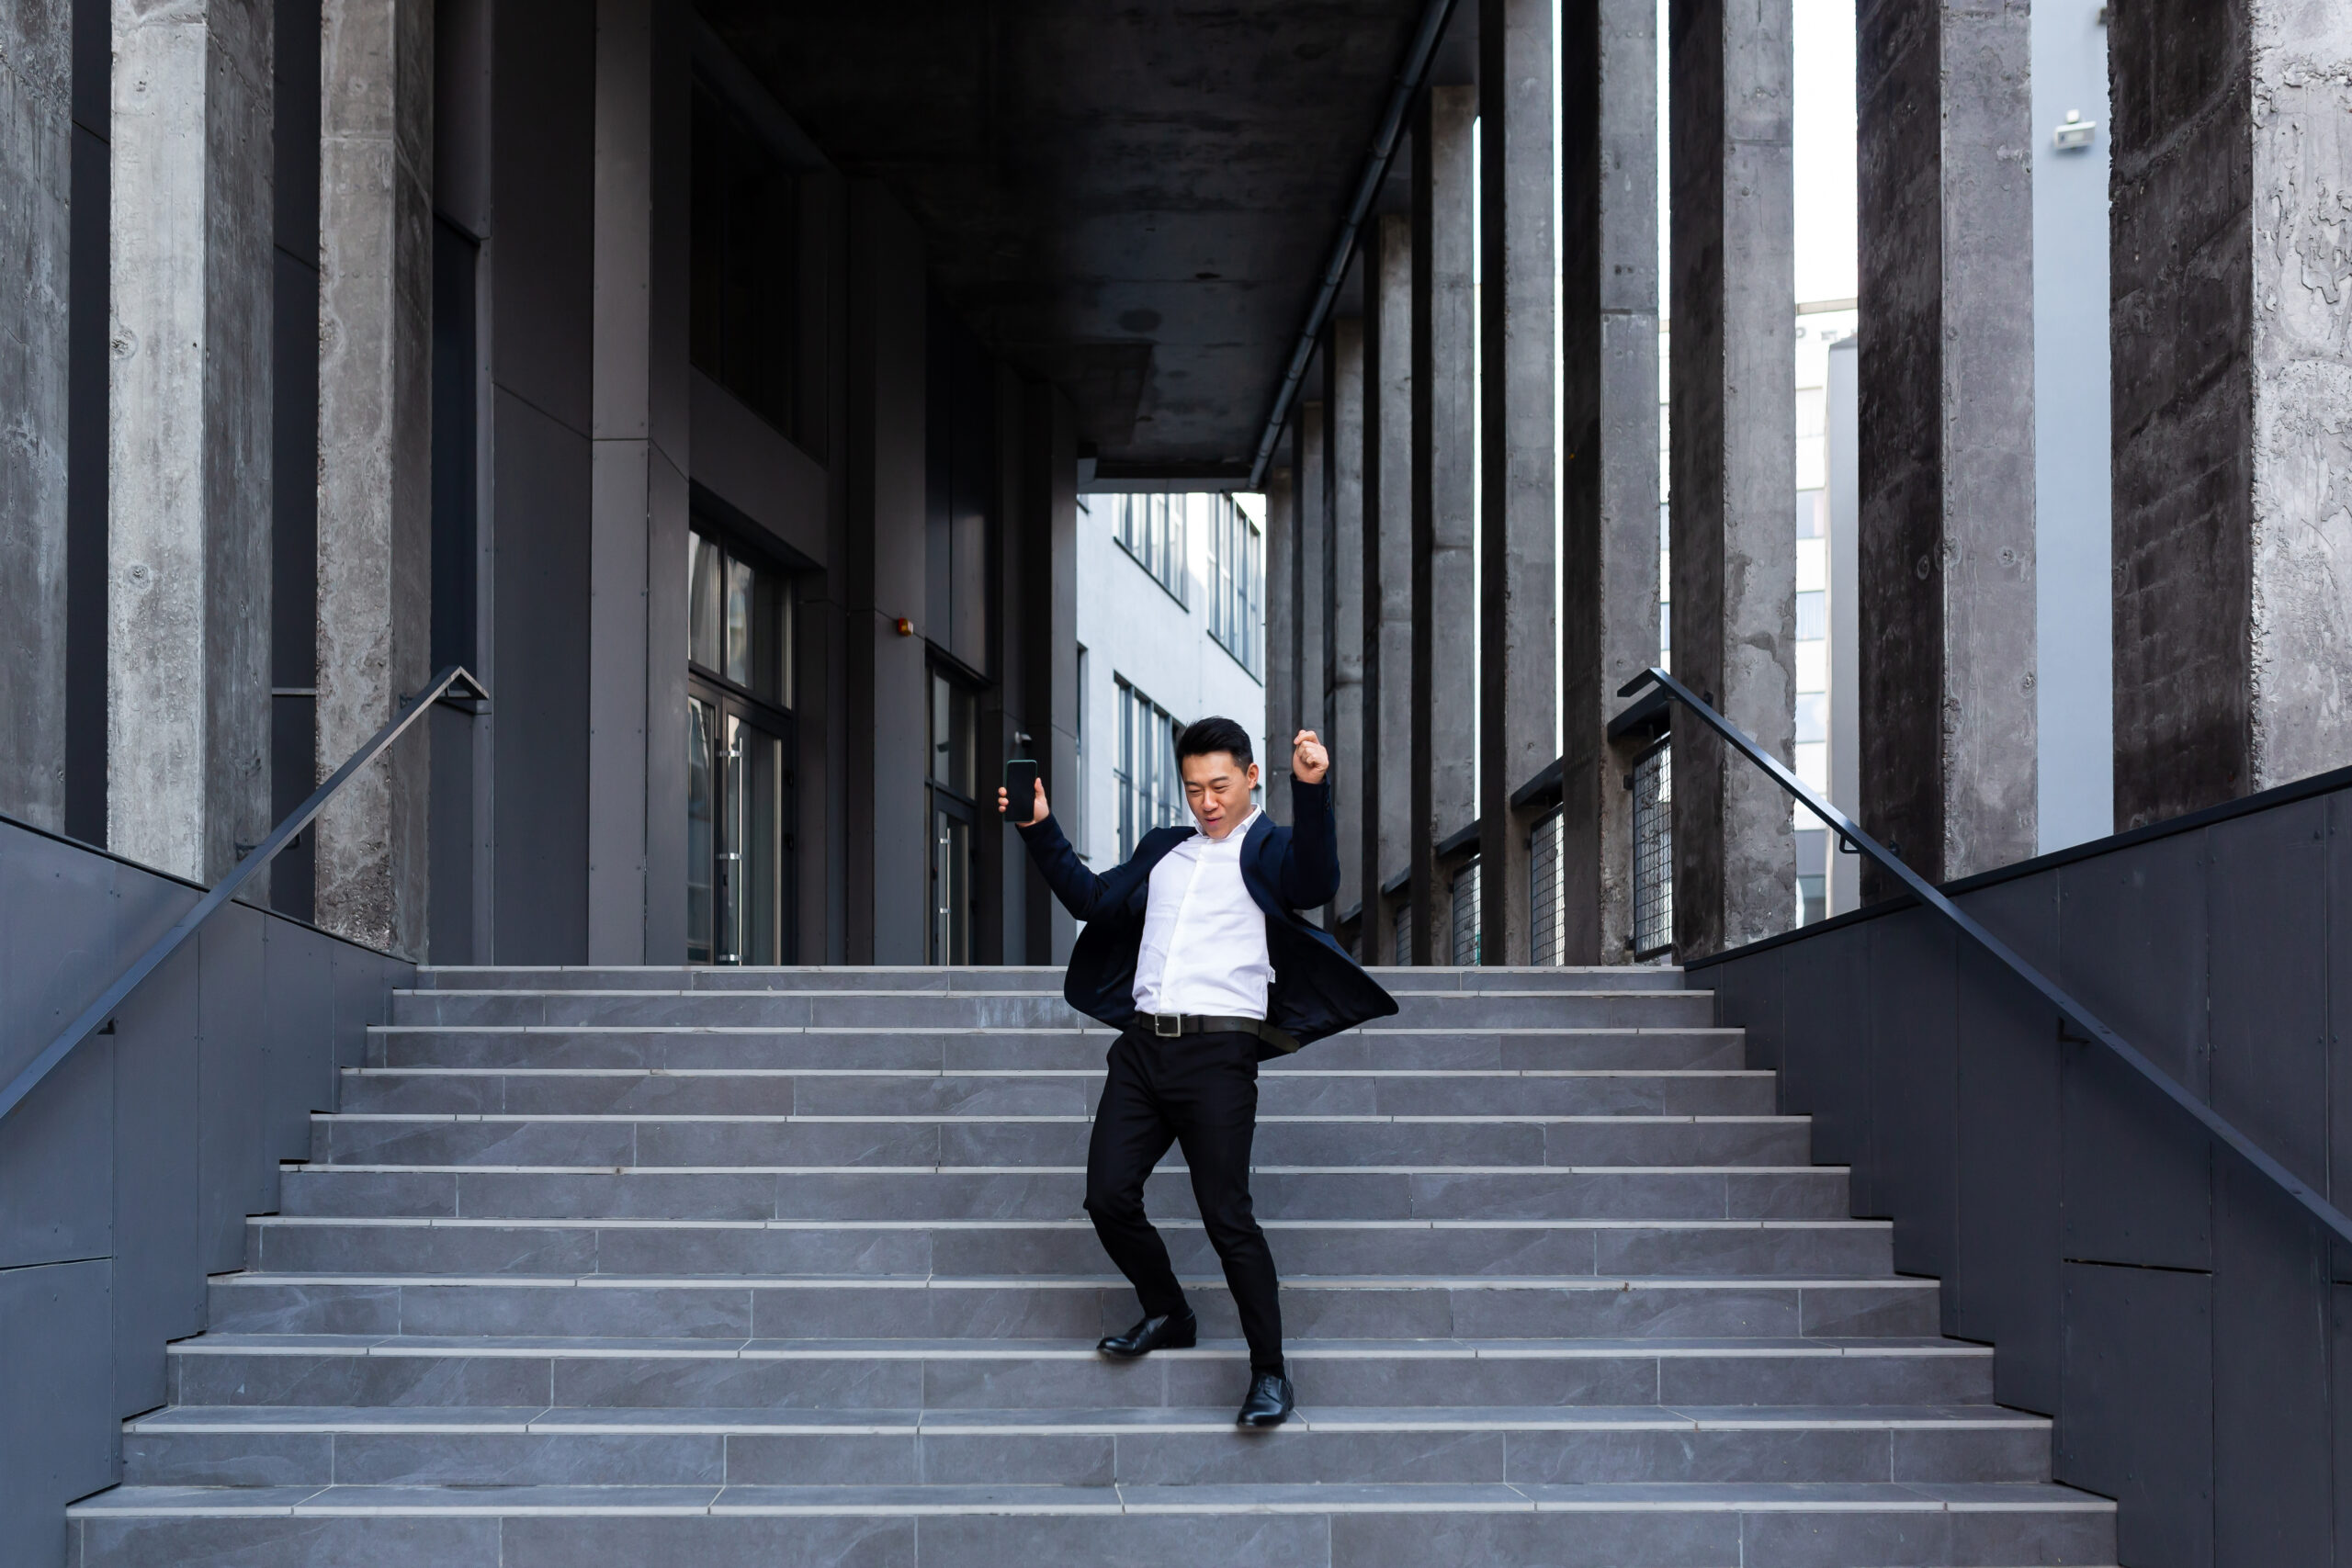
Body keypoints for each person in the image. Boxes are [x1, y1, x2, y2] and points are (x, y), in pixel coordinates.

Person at [999, 717, 1398, 1427]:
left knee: (1226, 1214)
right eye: (1193, 788)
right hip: (1144, 1049)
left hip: (1219, 1056)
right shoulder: (1166, 850)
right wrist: (1039, 828)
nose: (1207, 802)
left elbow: (1317, 878)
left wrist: (1313, 790)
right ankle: (1168, 1311)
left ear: (1250, 776)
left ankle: (1270, 1370)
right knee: (1106, 1195)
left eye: (1220, 785)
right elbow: (1093, 900)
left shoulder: (1270, 848)